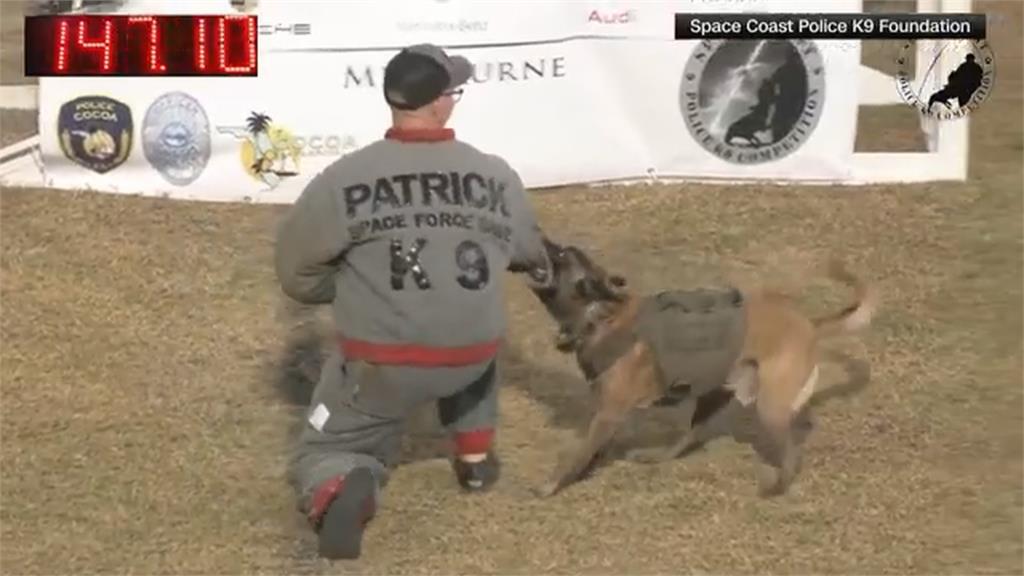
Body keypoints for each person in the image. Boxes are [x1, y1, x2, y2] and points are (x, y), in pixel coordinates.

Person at [273, 43, 554, 561]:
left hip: (384, 363)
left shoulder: (343, 179)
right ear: (441, 102)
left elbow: (295, 273)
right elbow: (527, 251)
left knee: (329, 445)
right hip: (470, 354)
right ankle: (473, 455)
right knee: (477, 347)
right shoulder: (495, 174)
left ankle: (339, 483)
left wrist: (350, 289)